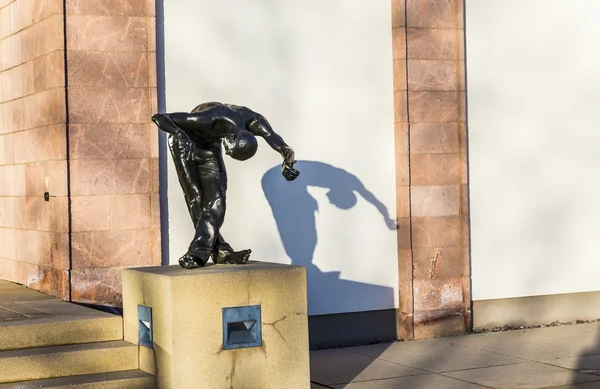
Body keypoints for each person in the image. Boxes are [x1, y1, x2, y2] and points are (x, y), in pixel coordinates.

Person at [152, 102, 300, 269]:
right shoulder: (208, 118)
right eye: (230, 151)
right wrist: (179, 133)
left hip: (209, 147)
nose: (227, 152)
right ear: (231, 137)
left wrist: (287, 162)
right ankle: (207, 252)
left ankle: (214, 252)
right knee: (197, 198)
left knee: (217, 200)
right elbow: (160, 118)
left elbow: (282, 145)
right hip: (184, 144)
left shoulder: (255, 121)